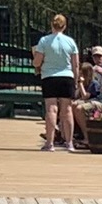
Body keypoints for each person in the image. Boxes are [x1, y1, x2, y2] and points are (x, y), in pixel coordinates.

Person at [34, 14, 79, 152]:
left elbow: (37, 62)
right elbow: (76, 64)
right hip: (67, 77)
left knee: (51, 110)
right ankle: (70, 143)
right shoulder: (70, 42)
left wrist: (35, 62)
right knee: (67, 110)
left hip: (49, 77)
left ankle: (50, 143)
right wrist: (75, 81)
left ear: (51, 25)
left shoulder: (44, 41)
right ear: (64, 26)